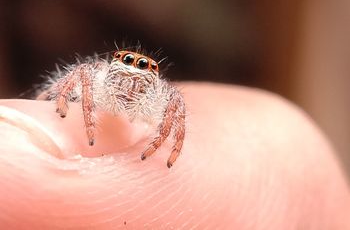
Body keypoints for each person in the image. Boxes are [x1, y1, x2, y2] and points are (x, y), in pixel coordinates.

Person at [0, 83, 348, 229]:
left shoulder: (160, 95)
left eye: (142, 68)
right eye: (126, 63)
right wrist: (68, 115)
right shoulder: (99, 77)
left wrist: (157, 146)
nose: (132, 74)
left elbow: (175, 109)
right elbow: (78, 77)